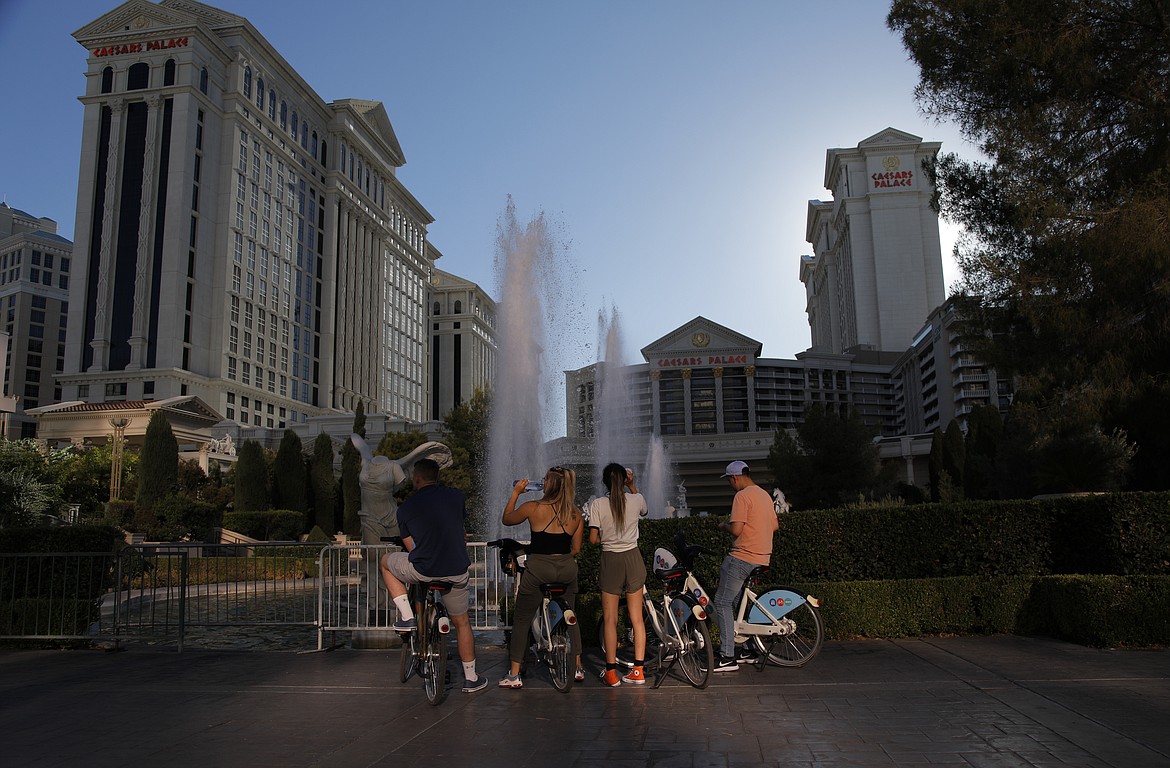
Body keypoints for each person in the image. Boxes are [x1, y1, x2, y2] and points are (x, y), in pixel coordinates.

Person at [379, 458, 487, 694]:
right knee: (462, 622)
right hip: (457, 571)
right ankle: (471, 678)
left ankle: (407, 617)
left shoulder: (406, 508)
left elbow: (411, 549)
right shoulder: (456, 497)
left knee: (385, 562)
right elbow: (459, 527)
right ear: (436, 476)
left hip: (425, 570)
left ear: (417, 479)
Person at [498, 466, 584, 689]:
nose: (542, 482)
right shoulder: (575, 514)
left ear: (550, 484)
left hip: (539, 568)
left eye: (545, 480)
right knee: (571, 616)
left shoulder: (532, 507)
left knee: (522, 619)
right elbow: (576, 549)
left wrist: (516, 492)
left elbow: (507, 519)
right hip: (567, 568)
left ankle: (514, 675)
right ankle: (578, 667)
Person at [712, 459, 779, 672]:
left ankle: (727, 657)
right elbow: (775, 525)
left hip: (742, 557)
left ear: (735, 478)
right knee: (739, 603)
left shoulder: (741, 496)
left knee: (721, 602)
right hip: (762, 557)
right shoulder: (764, 495)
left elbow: (737, 530)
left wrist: (723, 525)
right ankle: (749, 650)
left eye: (729, 481)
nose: (730, 486)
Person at [588, 463, 649, 686]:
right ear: (624, 479)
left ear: (604, 481)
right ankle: (639, 671)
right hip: (633, 558)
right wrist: (633, 485)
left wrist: (609, 539)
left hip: (611, 560)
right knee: (637, 619)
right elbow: (644, 510)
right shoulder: (636, 499)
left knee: (611, 620)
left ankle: (611, 672)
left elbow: (593, 539)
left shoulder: (598, 504)